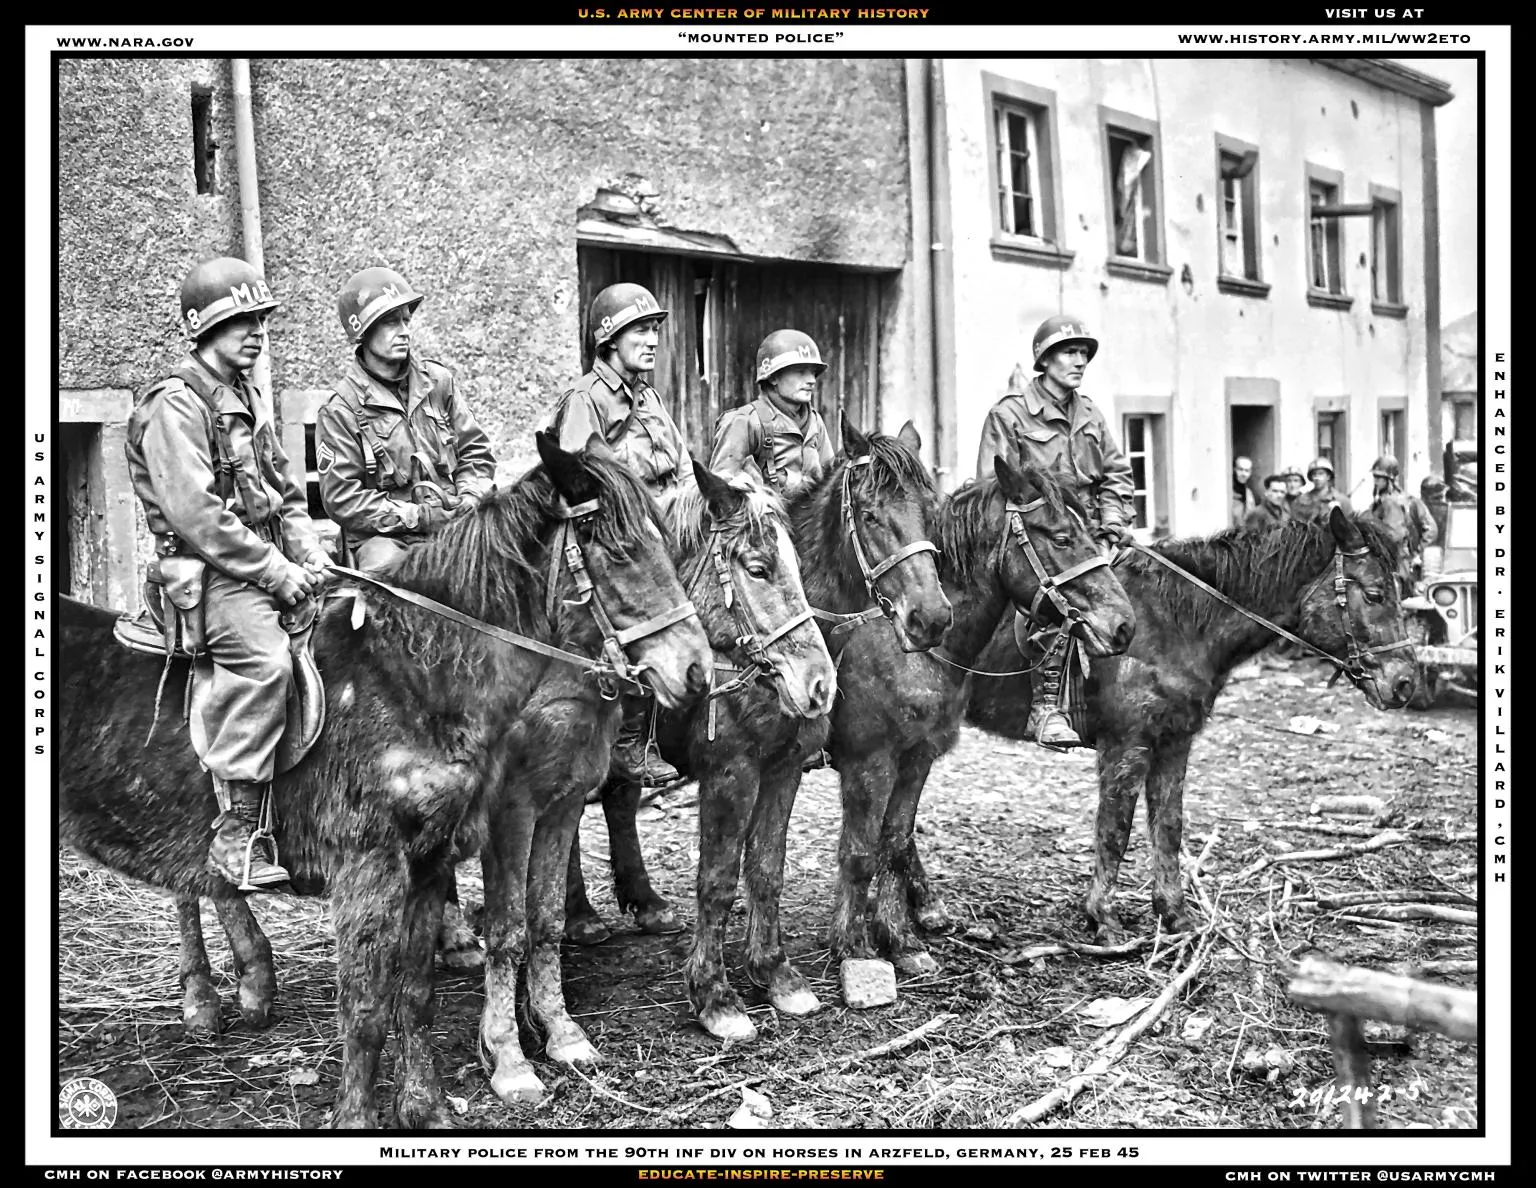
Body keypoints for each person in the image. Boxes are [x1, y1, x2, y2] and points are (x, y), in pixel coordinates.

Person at [125, 257, 330, 890]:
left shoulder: (244, 396)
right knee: (264, 662)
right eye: (242, 321)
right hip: (214, 574)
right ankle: (237, 832)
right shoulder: (175, 404)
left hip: (263, 561)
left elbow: (285, 494)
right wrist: (275, 571)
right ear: (203, 328)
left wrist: (308, 552)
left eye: (260, 320)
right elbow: (198, 517)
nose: (256, 332)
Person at [547, 282, 699, 787]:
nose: (652, 340)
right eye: (641, 330)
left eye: (655, 330)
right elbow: (581, 484)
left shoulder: (650, 398)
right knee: (645, 610)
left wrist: (689, 522)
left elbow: (681, 467)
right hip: (617, 539)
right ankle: (630, 740)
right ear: (609, 339)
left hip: (660, 531)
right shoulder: (585, 400)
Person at [975, 314, 1134, 750]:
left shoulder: (1090, 413)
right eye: (1069, 352)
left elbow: (1117, 475)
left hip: (1090, 535)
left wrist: (1112, 526)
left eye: (1083, 353)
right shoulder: (1009, 414)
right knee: (1054, 601)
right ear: (1044, 360)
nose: (1079, 361)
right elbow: (992, 488)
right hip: (1038, 536)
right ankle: (1047, 709)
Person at [315, 267, 497, 572]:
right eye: (390, 322)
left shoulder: (437, 382)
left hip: (453, 525)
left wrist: (469, 496)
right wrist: (418, 517)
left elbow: (475, 451)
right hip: (384, 538)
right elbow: (343, 498)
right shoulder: (341, 409)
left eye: (405, 321)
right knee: (390, 579)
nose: (404, 331)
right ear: (363, 331)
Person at [709, 329, 835, 498]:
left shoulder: (814, 422)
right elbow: (723, 492)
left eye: (813, 372)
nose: (811, 380)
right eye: (801, 372)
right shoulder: (745, 422)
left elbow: (831, 479)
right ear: (773, 377)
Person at [1365, 455, 1437, 596]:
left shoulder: (1406, 502)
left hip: (1400, 561)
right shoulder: (1377, 504)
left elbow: (1430, 530)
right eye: (1375, 477)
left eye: (1380, 477)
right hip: (1382, 560)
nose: (1376, 481)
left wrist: (1417, 553)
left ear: (1390, 479)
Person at [1290, 456, 1354, 523]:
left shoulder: (1342, 501)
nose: (1317, 478)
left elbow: (1350, 525)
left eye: (1321, 474)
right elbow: (1296, 526)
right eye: (1314, 474)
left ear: (1328, 476)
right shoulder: (1300, 501)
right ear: (1311, 477)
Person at [1230, 455, 1257, 527]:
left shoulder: (1249, 493)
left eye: (1247, 471)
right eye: (1240, 469)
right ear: (1234, 469)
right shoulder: (1227, 492)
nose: (1244, 474)